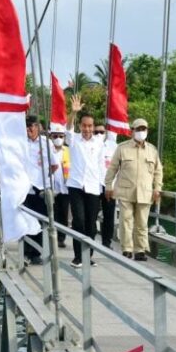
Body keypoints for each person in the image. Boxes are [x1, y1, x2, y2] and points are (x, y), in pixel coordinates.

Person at [104, 118, 164, 261]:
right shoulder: (122, 148)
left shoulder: (152, 150)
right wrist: (108, 186)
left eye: (143, 129)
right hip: (125, 191)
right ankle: (127, 249)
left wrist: (157, 188)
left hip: (145, 192)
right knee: (126, 221)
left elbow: (158, 171)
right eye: (138, 129)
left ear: (147, 131)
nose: (141, 132)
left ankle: (140, 251)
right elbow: (112, 168)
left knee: (142, 223)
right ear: (132, 131)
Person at [66, 95, 106, 268]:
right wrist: (73, 113)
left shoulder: (99, 141)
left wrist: (106, 186)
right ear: (80, 126)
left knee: (91, 223)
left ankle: (88, 255)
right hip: (76, 185)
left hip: (93, 187)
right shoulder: (74, 140)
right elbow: (68, 128)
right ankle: (77, 256)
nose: (87, 129)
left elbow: (101, 166)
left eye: (90, 126)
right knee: (79, 221)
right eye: (84, 126)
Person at [23, 115, 59, 265]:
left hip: (41, 186)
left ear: (38, 127)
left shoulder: (46, 143)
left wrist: (44, 176)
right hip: (25, 187)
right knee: (25, 221)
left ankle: (36, 252)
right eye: (28, 125)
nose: (31, 129)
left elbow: (55, 165)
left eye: (34, 125)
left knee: (40, 221)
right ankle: (25, 251)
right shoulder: (20, 143)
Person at [95, 123, 117, 249]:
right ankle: (90, 239)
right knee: (92, 214)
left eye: (101, 132)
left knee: (109, 215)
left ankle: (106, 242)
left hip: (109, 185)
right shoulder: (90, 144)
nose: (99, 134)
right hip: (94, 185)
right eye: (96, 132)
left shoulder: (113, 147)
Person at [50, 123, 70, 248]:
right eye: (55, 135)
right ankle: (52, 237)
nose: (58, 138)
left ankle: (61, 238)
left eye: (61, 136)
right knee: (52, 214)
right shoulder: (47, 149)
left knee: (63, 214)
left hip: (64, 187)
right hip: (51, 187)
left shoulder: (68, 150)